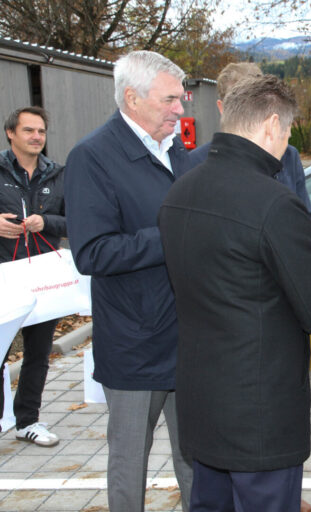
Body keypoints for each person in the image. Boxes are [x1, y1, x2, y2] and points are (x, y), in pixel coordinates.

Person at [158, 74, 311, 512]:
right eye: (288, 131)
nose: (287, 143)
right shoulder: (274, 203)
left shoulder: (180, 191)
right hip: (259, 415)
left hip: (201, 404)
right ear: (271, 125)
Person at [64, 51, 194, 511]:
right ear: (133, 99)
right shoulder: (92, 157)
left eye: (181, 98)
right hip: (135, 344)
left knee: (197, 460)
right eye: (170, 99)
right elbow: (92, 251)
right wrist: (171, 236)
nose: (181, 108)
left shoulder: (177, 152)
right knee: (129, 463)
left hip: (190, 338)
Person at [0, 106, 65, 446]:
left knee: (38, 354)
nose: (36, 137)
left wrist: (46, 222)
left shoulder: (58, 174)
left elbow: (78, 220)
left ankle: (27, 421)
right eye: (28, 130)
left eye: (41, 131)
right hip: (4, 277)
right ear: (11, 133)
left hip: (43, 278)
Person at [188, 62, 311, 218]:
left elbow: (304, 215)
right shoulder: (195, 163)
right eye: (237, 102)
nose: (247, 111)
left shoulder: (289, 156)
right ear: (221, 107)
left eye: (255, 102)